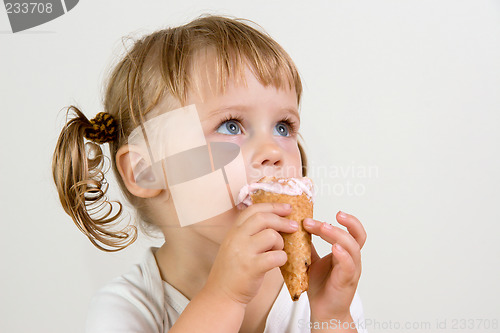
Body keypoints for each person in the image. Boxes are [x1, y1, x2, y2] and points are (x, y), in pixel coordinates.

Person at [52, 15, 368, 333]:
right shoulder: (126, 309)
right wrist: (224, 297)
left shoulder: (318, 292)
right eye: (231, 125)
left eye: (283, 126)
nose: (273, 150)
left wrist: (333, 316)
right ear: (146, 171)